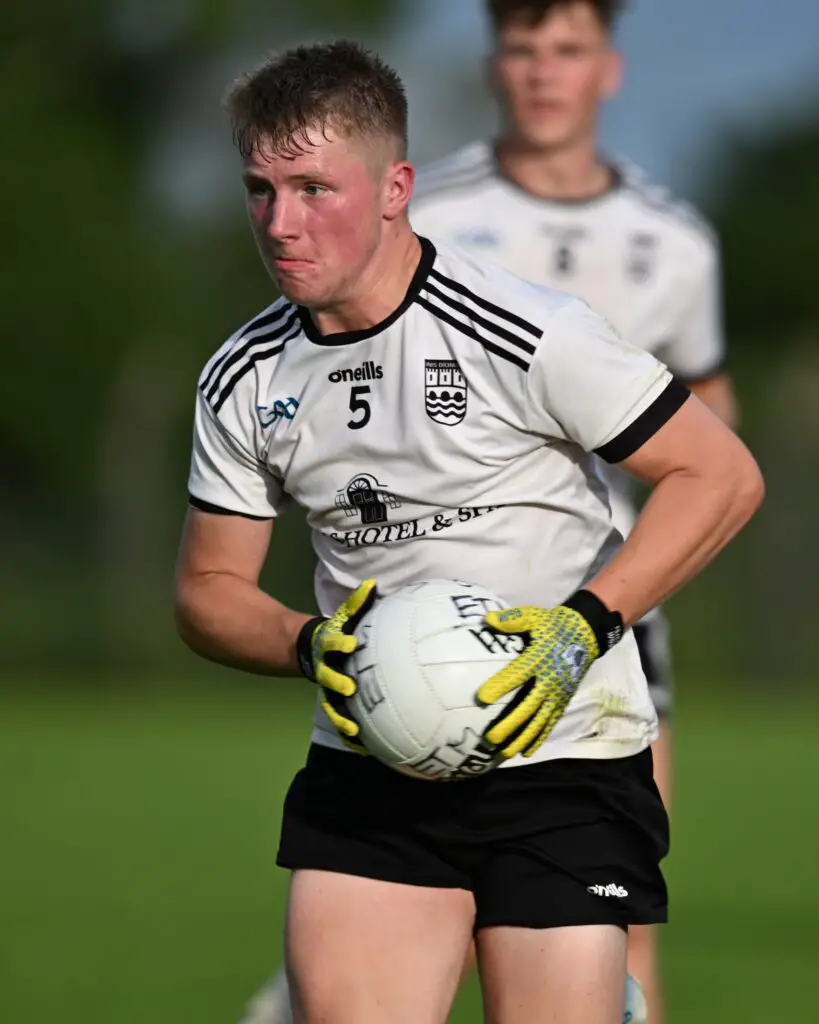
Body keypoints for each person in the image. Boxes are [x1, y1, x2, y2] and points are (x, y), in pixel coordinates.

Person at [174, 38, 763, 1024]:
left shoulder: (523, 329)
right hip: (373, 762)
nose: (281, 223)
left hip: (564, 757)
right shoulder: (245, 376)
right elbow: (207, 592)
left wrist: (582, 627)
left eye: (315, 188)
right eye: (260, 190)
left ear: (396, 186)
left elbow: (720, 475)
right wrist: (313, 645)